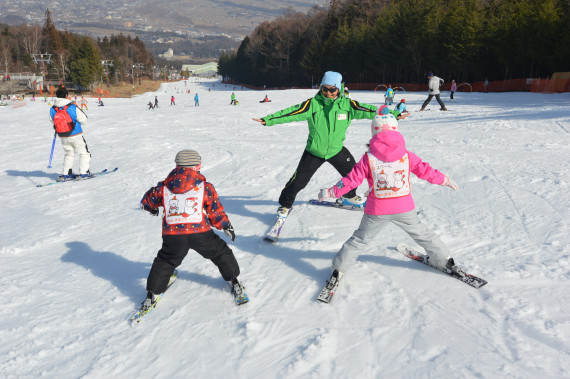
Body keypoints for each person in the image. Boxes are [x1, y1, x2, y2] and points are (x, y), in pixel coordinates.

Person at [318, 112, 461, 283]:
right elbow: (426, 171)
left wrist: (331, 192)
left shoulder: (367, 158)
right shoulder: (407, 155)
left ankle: (338, 270)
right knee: (423, 234)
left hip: (377, 210)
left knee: (359, 240)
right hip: (404, 208)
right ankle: (444, 261)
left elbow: (350, 181)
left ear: (374, 132)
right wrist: (445, 179)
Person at [252, 71, 377, 217]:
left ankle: (348, 197)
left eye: (332, 89)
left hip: (336, 150)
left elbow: (371, 110)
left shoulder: (348, 105)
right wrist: (268, 120)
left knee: (353, 174)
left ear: (339, 89)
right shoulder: (312, 104)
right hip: (314, 151)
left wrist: (394, 114)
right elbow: (290, 113)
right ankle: (285, 205)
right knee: (298, 181)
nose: (328, 93)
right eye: (325, 89)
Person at [139, 149, 245, 310]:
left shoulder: (164, 186)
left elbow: (147, 201)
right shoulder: (205, 187)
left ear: (176, 165)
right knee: (220, 252)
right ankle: (234, 279)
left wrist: (150, 208)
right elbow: (215, 211)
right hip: (200, 233)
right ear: (198, 166)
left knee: (166, 260)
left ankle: (152, 293)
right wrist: (225, 225)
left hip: (173, 236)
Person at [49, 86, 91, 181]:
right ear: (67, 95)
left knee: (69, 153)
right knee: (84, 153)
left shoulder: (52, 109)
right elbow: (84, 120)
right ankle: (84, 173)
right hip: (75, 134)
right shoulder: (72, 107)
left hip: (63, 135)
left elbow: (52, 121)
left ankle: (66, 173)